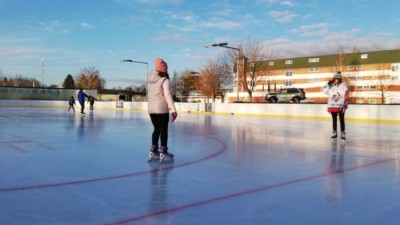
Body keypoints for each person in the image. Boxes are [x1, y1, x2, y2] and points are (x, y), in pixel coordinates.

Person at [147, 58, 178, 163]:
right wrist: (173, 109)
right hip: (161, 108)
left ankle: (153, 151)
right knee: (163, 130)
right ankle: (163, 153)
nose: (167, 70)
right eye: (166, 68)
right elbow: (167, 95)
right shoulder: (164, 79)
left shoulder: (150, 79)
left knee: (156, 129)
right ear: (163, 69)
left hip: (151, 109)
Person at [323, 72, 349, 140]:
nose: (335, 80)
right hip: (332, 105)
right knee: (334, 119)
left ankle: (343, 134)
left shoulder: (343, 86)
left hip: (341, 105)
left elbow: (346, 95)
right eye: (335, 79)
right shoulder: (332, 86)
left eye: (337, 79)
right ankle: (334, 133)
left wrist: (345, 104)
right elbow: (325, 92)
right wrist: (328, 85)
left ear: (340, 79)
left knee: (341, 119)